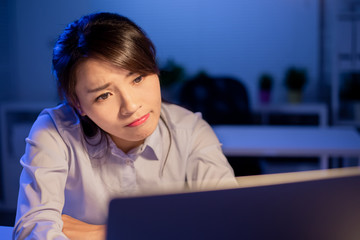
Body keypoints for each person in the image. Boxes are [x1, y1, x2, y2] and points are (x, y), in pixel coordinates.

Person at [13, 12, 237, 240]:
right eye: (104, 95)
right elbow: (33, 229)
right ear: (77, 104)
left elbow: (230, 222)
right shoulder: (54, 131)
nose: (130, 106)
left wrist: (103, 233)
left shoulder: (190, 130)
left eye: (138, 78)